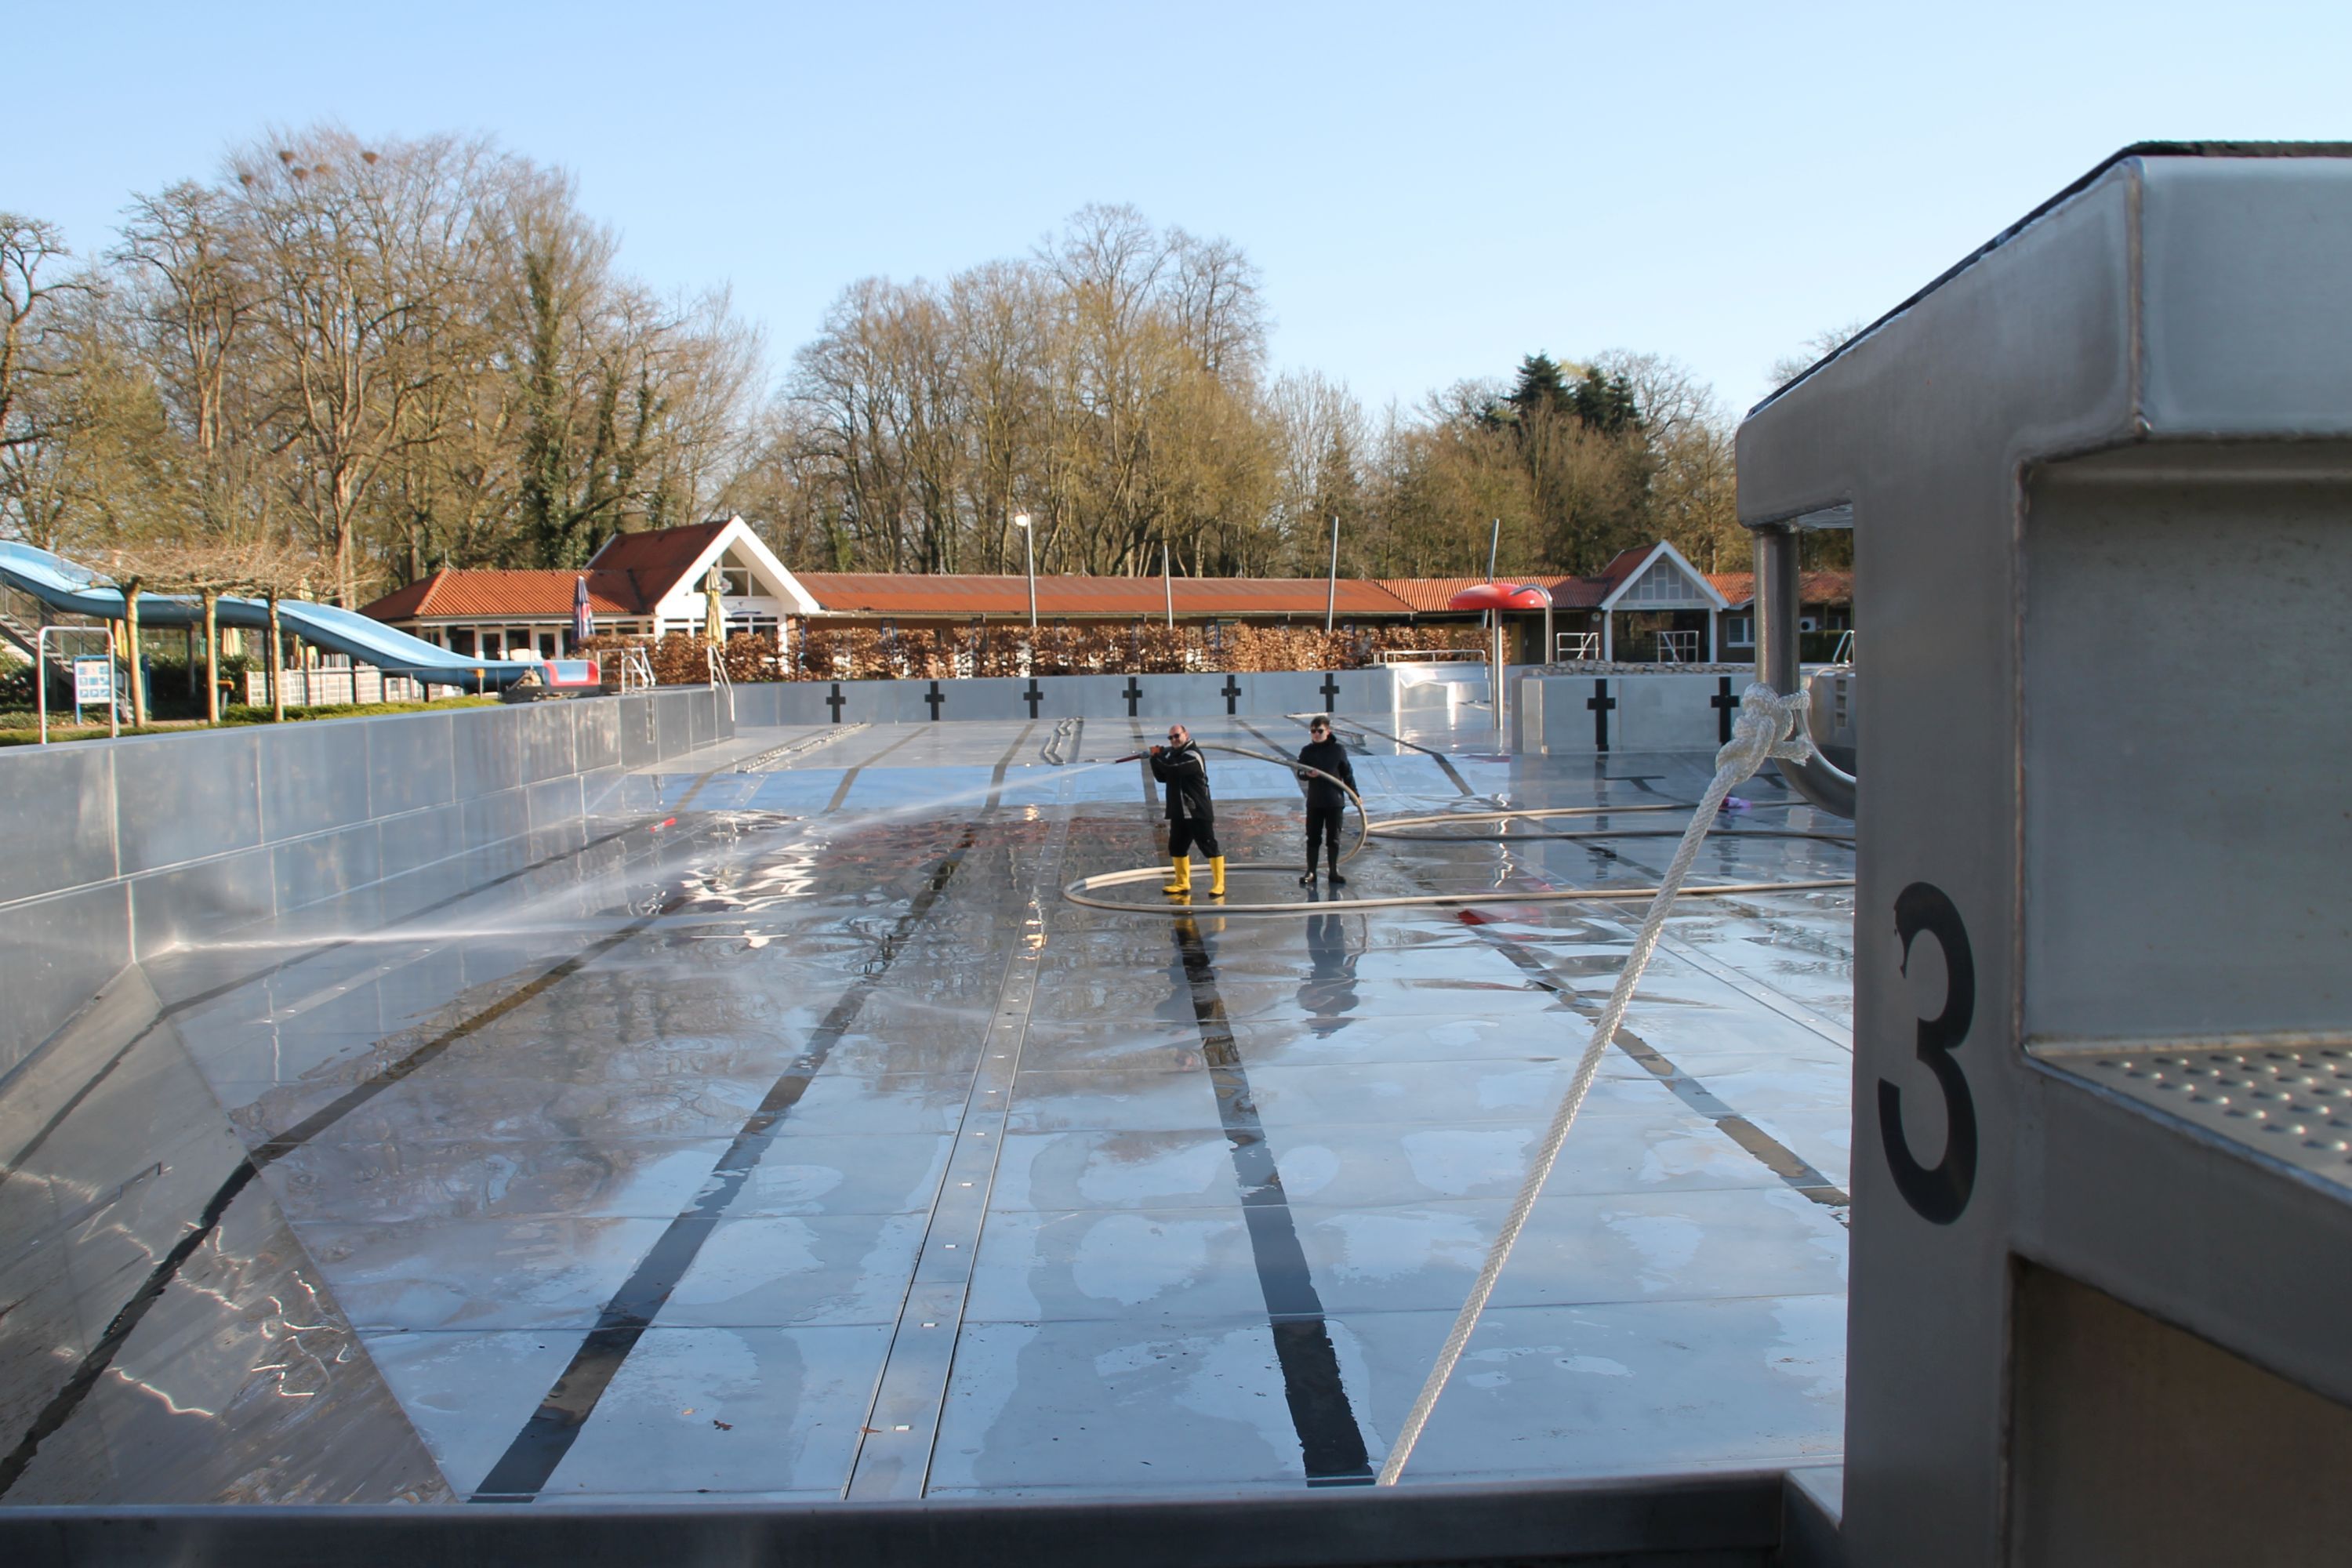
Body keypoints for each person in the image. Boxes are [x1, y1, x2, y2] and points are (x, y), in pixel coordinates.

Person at [1148, 724, 1224, 897]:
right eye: (1171, 738)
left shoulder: (1192, 755)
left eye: (1177, 736)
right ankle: (1182, 882)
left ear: (1186, 735)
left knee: (1208, 845)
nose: (1174, 740)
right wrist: (1154, 759)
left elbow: (1173, 768)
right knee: (1176, 847)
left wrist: (1159, 756)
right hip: (1180, 811)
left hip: (1197, 810)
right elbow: (1162, 777)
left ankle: (1219, 884)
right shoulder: (1173, 756)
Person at [1294, 715, 1357, 887]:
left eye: (1319, 731)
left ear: (1327, 732)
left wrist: (1355, 795)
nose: (1316, 734)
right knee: (1313, 837)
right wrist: (1307, 774)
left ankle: (1333, 871)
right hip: (1315, 802)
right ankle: (1311, 871)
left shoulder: (1338, 750)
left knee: (1333, 838)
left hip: (1334, 802)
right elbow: (1299, 772)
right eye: (1313, 731)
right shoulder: (1307, 751)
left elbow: (1347, 774)